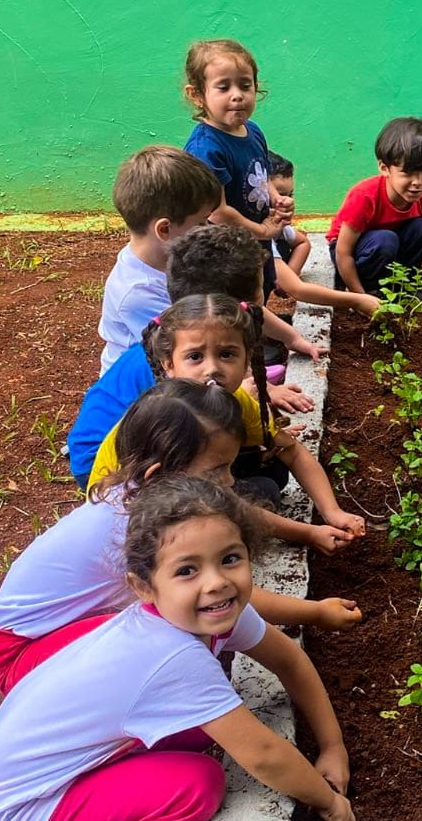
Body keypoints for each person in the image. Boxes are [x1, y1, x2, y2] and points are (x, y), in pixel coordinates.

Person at [0, 476, 357, 821]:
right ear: (143, 587)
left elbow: (289, 660)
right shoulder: (173, 656)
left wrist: (332, 746)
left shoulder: (211, 613)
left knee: (206, 725)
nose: (216, 582)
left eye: (230, 559)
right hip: (27, 804)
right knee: (197, 785)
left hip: (34, 761)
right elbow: (264, 755)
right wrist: (330, 803)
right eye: (187, 570)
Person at [0, 381, 361, 695]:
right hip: (22, 658)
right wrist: (314, 612)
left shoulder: (142, 494)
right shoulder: (133, 530)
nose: (230, 482)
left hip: (49, 641)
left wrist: (309, 532)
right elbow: (229, 593)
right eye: (218, 470)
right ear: (161, 474)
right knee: (178, 622)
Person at [87, 295, 365, 554]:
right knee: (261, 494)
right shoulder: (173, 422)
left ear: (248, 360)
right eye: (195, 357)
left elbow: (292, 451)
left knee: (274, 470)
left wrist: (332, 511)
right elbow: (228, 503)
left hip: (177, 489)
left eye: (227, 354)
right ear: (168, 364)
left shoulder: (236, 400)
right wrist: (309, 533)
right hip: (129, 520)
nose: (212, 369)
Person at [68, 225, 312, 485]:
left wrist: (264, 426)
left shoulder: (184, 342)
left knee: (271, 472)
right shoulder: (173, 383)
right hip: (109, 467)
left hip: (152, 440)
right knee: (261, 489)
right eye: (261, 291)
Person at [181, 39, 376, 321]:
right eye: (223, 87)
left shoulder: (252, 131)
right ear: (197, 94)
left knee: (258, 295)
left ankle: (257, 342)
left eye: (245, 85)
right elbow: (218, 212)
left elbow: (261, 175)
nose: (237, 96)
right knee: (231, 308)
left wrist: (276, 198)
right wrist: (262, 231)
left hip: (256, 239)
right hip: (224, 251)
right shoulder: (206, 149)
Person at [326, 117, 422, 300]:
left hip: (388, 245)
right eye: (408, 173)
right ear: (384, 168)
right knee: (385, 239)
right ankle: (371, 289)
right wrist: (358, 297)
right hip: (353, 252)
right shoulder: (365, 196)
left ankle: (402, 285)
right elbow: (343, 253)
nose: (418, 182)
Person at [97, 146, 221, 375]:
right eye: (202, 222)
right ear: (164, 229)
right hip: (141, 396)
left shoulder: (177, 258)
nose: (208, 230)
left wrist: (290, 337)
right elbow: (193, 348)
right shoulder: (138, 292)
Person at [267, 151, 311, 274]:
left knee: (283, 246)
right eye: (279, 195)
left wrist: (292, 273)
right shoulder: (257, 228)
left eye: (290, 195)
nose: (288, 201)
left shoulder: (280, 226)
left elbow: (303, 243)